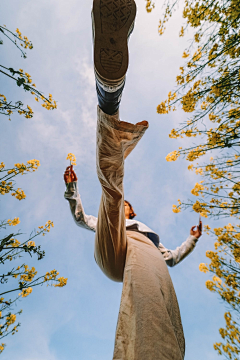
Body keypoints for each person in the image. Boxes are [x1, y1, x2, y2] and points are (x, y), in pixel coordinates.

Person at [64, 0, 202, 359]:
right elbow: (81, 218)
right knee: (111, 191)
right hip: (114, 245)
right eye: (126, 206)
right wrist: (72, 190)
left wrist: (191, 240)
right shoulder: (112, 217)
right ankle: (109, 93)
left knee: (153, 314)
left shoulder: (150, 235)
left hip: (141, 257)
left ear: (134, 210)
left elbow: (171, 257)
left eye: (129, 206)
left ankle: (114, 116)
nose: (126, 206)